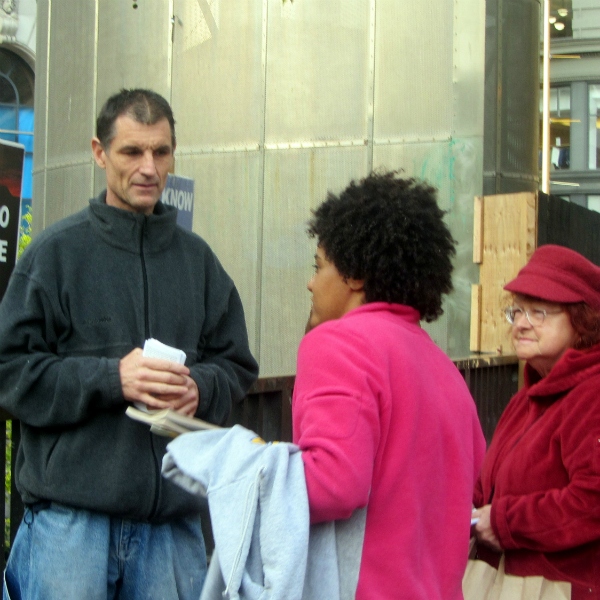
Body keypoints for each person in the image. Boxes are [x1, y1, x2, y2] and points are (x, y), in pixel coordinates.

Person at [0, 88, 258, 600]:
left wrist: (200, 390)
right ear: (100, 152)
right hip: (71, 526)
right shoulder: (54, 255)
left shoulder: (198, 261)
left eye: (161, 152)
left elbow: (235, 365)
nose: (149, 168)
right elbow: (9, 371)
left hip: (171, 526)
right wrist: (112, 378)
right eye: (132, 152)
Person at [292, 170, 487, 599]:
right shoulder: (445, 369)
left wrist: (241, 469)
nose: (311, 281)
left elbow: (330, 484)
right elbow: (473, 484)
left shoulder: (336, 343)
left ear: (356, 275)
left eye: (319, 265)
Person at [472, 244, 600, 599]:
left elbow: (592, 501)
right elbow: (490, 487)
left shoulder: (591, 395)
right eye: (518, 311)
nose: (522, 324)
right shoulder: (528, 395)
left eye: (539, 312)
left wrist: (505, 521)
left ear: (582, 320)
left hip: (562, 586)